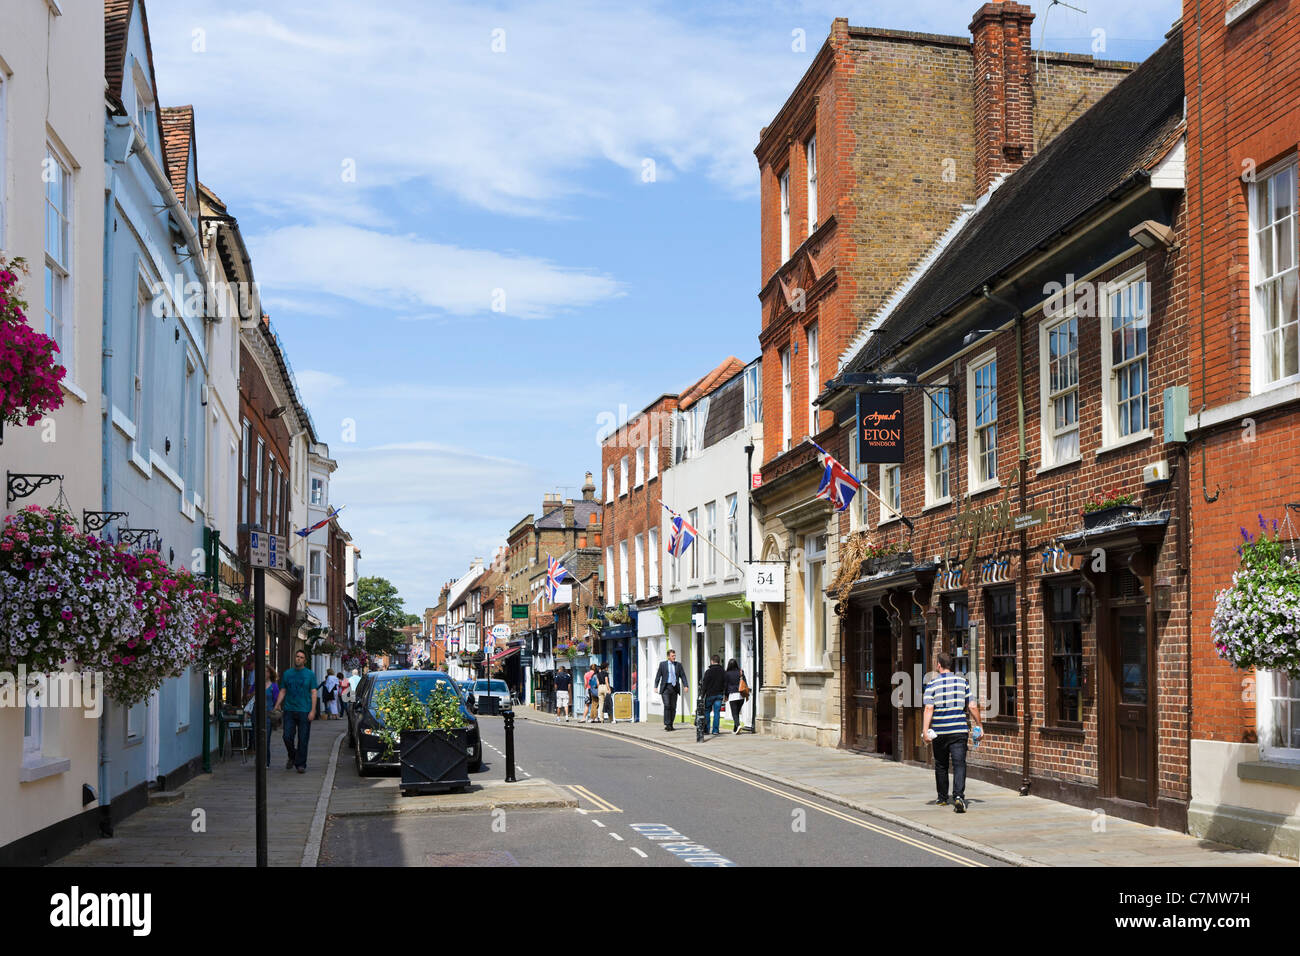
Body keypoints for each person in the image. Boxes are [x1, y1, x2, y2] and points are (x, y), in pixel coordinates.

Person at [921, 651, 983, 813]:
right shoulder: (963, 683)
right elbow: (972, 706)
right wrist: (980, 725)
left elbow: (929, 708)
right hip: (959, 731)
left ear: (938, 665)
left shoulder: (932, 684)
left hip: (940, 732)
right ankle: (958, 797)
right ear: (951, 666)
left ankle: (942, 798)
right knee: (959, 764)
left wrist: (925, 730)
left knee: (941, 764)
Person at [274, 649, 317, 773]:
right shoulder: (287, 674)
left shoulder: (310, 674)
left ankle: (301, 764)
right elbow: (283, 690)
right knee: (287, 736)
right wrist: (277, 704)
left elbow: (314, 692)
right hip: (289, 709)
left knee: (303, 739)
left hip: (304, 710)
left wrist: (313, 710)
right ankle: (292, 756)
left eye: (301, 657)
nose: (298, 659)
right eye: (297, 656)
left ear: (305, 660)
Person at [653, 648, 687, 731]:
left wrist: (685, 685)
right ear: (668, 656)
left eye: (674, 655)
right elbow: (658, 676)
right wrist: (655, 686)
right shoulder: (662, 665)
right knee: (667, 705)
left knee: (673, 707)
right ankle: (667, 724)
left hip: (674, 688)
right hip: (665, 688)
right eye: (672, 656)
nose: (674, 657)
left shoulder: (678, 665)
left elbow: (683, 676)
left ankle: (671, 724)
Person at [701, 654, 726, 736]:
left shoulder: (708, 672)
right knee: (717, 712)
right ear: (718, 662)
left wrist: (702, 695)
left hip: (709, 695)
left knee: (707, 711)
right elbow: (725, 684)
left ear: (712, 661)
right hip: (719, 695)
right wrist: (726, 694)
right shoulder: (723, 671)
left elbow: (704, 685)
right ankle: (715, 730)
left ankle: (707, 729)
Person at [724, 658, 748, 733]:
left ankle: (738, 725)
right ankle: (735, 729)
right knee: (737, 712)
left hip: (733, 694)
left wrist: (726, 695)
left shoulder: (727, 674)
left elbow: (726, 685)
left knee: (734, 713)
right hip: (741, 695)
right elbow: (745, 682)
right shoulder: (741, 672)